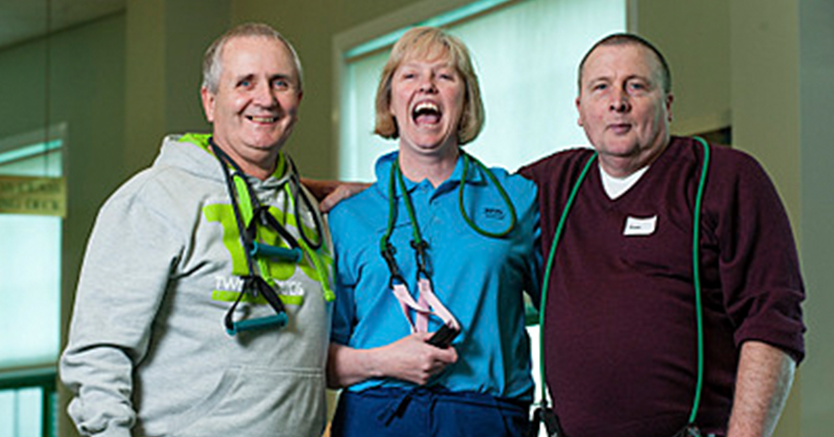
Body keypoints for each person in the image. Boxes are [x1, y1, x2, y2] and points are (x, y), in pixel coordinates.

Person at [518, 33, 805, 437]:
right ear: (580, 110)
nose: (618, 101)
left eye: (636, 85)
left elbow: (772, 322)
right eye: (601, 87)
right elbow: (461, 213)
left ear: (668, 105)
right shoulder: (550, 185)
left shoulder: (725, 178)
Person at [60, 23, 335, 437]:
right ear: (210, 101)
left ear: (298, 98)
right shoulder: (154, 199)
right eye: (245, 82)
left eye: (281, 83)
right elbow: (99, 354)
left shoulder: (310, 212)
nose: (265, 99)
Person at [326, 27, 542, 436]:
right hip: (376, 416)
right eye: (410, 76)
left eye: (445, 76)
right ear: (389, 101)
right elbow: (314, 361)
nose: (427, 84)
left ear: (465, 102)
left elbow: (572, 308)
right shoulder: (348, 217)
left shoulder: (518, 200)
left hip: (484, 416)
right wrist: (383, 362)